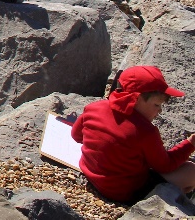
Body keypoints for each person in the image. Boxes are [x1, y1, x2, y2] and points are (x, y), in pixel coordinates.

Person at [72, 66, 195, 203]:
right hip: (125, 193)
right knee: (191, 171)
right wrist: (190, 144)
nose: (159, 111)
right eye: (156, 105)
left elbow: (76, 135)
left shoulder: (94, 107)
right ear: (135, 99)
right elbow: (165, 165)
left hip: (90, 176)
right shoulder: (146, 132)